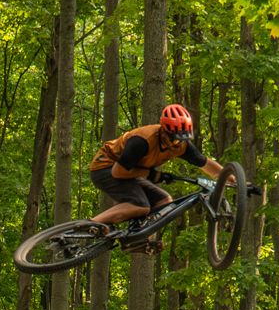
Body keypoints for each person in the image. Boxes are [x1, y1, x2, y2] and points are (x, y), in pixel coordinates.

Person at [87, 103, 226, 245]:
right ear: (164, 131)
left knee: (164, 202)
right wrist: (152, 175)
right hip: (105, 168)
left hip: (129, 172)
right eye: (174, 138)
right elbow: (118, 172)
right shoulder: (142, 141)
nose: (176, 143)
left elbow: (205, 163)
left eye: (181, 138)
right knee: (141, 205)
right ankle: (92, 223)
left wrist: (232, 178)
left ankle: (139, 241)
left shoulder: (181, 146)